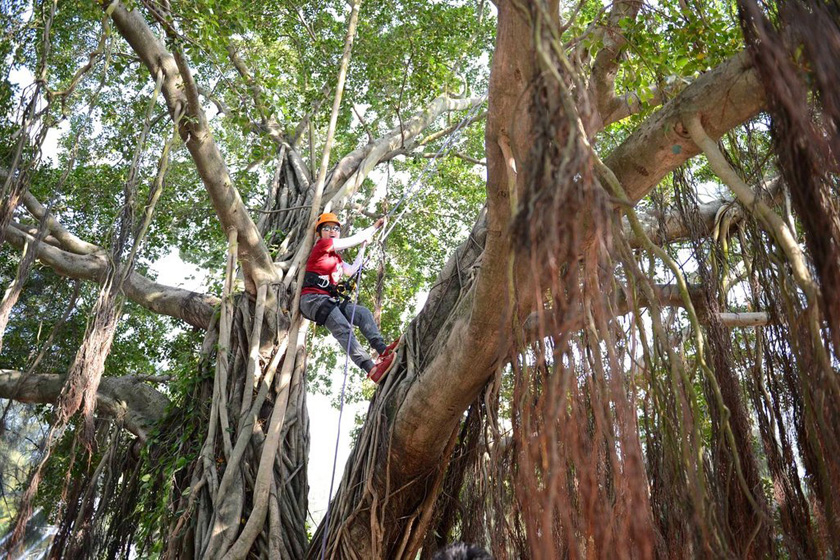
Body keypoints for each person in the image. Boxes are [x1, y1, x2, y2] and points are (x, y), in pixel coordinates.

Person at [300, 212, 399, 383]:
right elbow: (354, 239)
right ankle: (371, 369)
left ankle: (382, 350)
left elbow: (352, 270)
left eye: (336, 228)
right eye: (327, 228)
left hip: (328, 301)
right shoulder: (323, 245)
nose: (332, 231)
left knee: (363, 313)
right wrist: (374, 228)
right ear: (320, 232)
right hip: (313, 300)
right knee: (343, 328)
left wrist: (363, 248)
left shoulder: (337, 259)